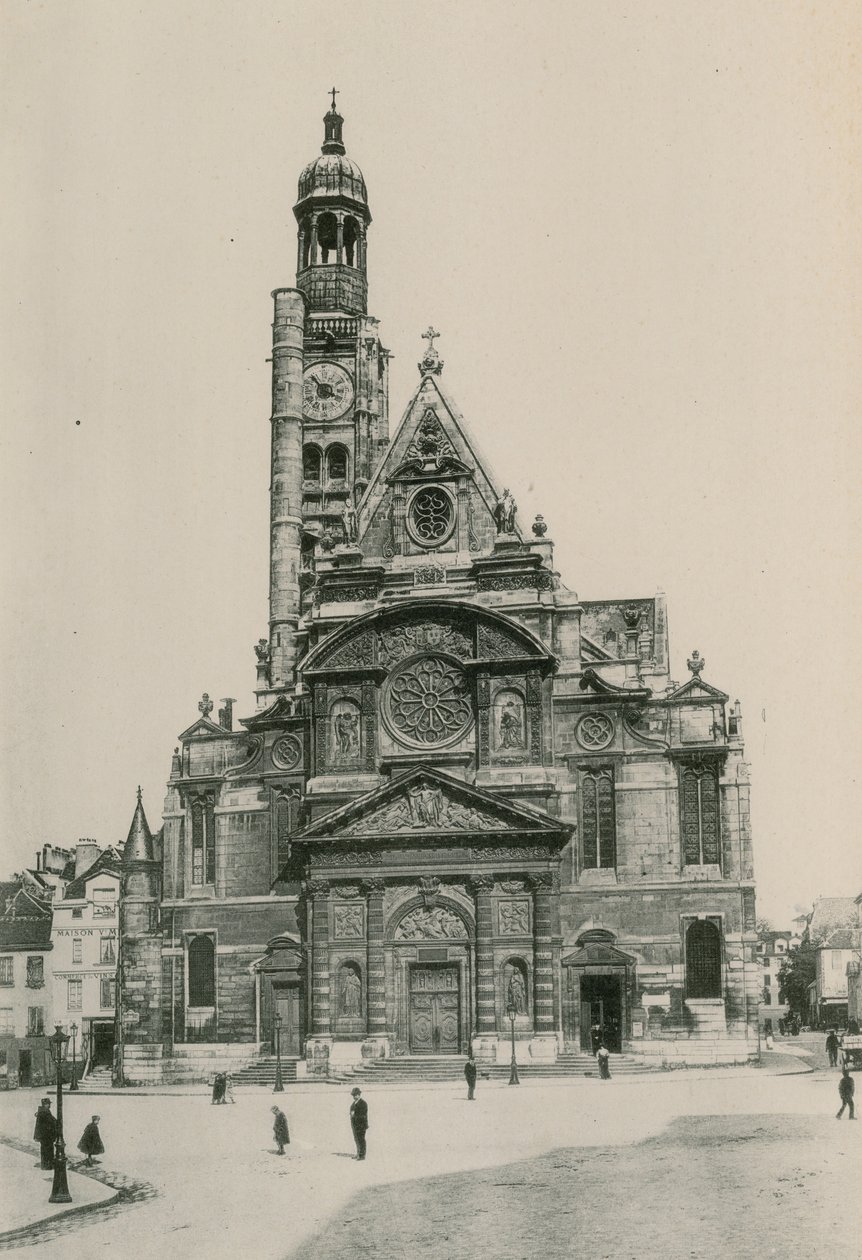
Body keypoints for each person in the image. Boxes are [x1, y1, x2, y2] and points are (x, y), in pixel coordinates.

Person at [33, 1098, 56, 1169]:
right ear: (46, 1104)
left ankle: (45, 1164)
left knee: (44, 1150)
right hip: (46, 1135)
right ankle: (48, 1165)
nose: (49, 1105)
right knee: (48, 1150)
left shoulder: (42, 1111)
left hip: (43, 1135)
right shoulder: (45, 1112)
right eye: (48, 1104)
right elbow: (51, 1121)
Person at [350, 1087, 369, 1160]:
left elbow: (363, 1115)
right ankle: (358, 1153)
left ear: (359, 1095)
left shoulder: (363, 1103)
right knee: (357, 1139)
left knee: (361, 1139)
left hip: (361, 1125)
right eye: (353, 1095)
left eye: (355, 1095)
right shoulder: (354, 1103)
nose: (354, 1097)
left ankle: (362, 1155)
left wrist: (354, 1114)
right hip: (355, 1124)